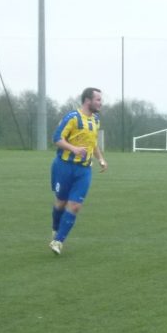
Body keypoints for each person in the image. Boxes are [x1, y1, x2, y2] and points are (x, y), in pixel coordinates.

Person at [49, 87, 108, 255]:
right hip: (64, 166)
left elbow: (93, 143)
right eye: (98, 100)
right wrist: (73, 148)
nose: (100, 103)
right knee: (61, 202)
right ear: (87, 100)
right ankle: (55, 230)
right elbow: (56, 139)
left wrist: (101, 159)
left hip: (84, 170)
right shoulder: (72, 118)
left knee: (75, 206)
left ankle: (58, 241)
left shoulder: (95, 120)